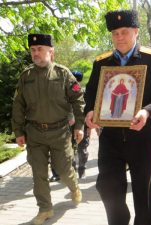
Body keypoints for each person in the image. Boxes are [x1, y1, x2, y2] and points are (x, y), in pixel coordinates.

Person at [84, 9, 151, 225]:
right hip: (110, 138)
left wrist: (148, 111)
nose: (120, 37)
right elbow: (90, 93)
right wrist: (89, 111)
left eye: (125, 32)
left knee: (144, 191)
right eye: (115, 33)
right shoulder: (102, 63)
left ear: (136, 32)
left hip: (143, 136)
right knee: (107, 186)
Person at [11, 33, 84, 225]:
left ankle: (74, 187)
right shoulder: (26, 76)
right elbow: (18, 105)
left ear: (50, 51)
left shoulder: (63, 73)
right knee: (38, 173)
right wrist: (18, 131)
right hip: (35, 133)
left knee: (64, 168)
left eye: (40, 49)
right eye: (33, 50)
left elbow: (78, 100)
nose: (36, 53)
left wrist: (80, 125)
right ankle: (45, 209)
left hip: (60, 132)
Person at [49, 70, 90, 181]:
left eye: (77, 80)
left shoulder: (85, 92)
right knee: (63, 148)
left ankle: (82, 170)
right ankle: (67, 171)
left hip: (82, 124)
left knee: (82, 148)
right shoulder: (62, 91)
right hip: (65, 123)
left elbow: (88, 108)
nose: (74, 82)